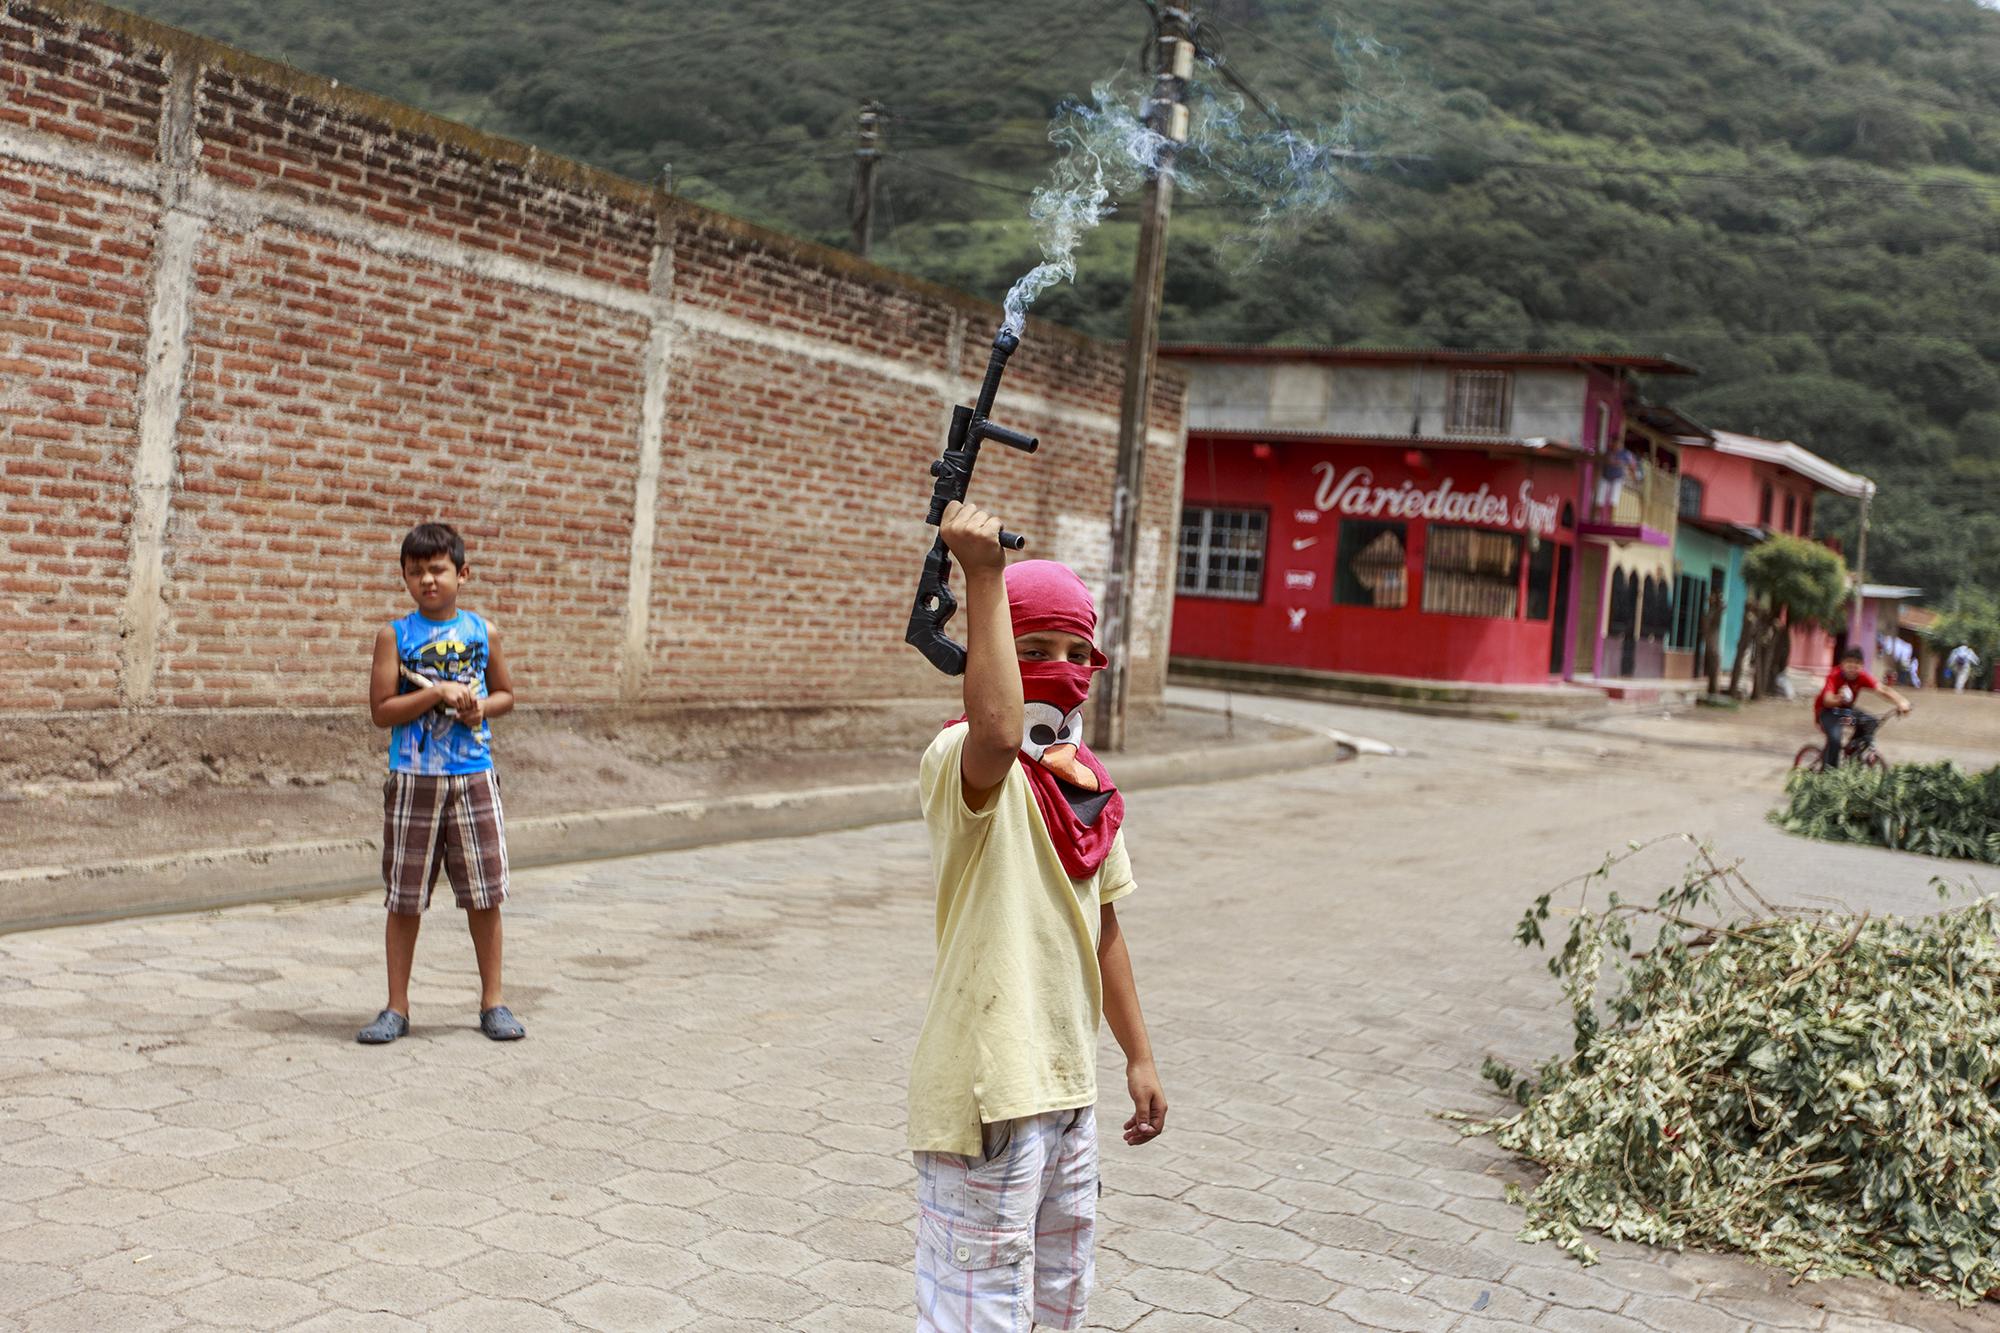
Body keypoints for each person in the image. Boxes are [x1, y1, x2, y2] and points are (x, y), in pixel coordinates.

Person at [908, 501, 1167, 1333]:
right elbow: (996, 726)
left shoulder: (1084, 781)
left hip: (1065, 1091)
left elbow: (1106, 929)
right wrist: (983, 577)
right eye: (1031, 650)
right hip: (990, 1091)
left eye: (1072, 651)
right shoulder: (966, 761)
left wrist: (1138, 1055)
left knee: (1057, 1300)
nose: (1059, 666)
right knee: (979, 1311)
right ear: (992, 654)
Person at [358, 523, 523, 1045]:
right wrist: (436, 695)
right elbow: (382, 712)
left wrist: (477, 706)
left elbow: (506, 696)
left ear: (462, 573)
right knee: (405, 898)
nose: (428, 580)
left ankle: (493, 1002)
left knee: (484, 894)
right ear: (405, 577)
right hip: (413, 780)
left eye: (438, 569)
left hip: (473, 776)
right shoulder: (395, 636)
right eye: (416, 571)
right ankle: (396, 1008)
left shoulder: (483, 632)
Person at [1814, 645, 1910, 769]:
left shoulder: (1862, 676)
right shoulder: (1834, 675)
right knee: (1835, 740)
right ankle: (1829, 774)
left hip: (1846, 711)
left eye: (1857, 664)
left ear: (1862, 666)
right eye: (1849, 663)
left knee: (1871, 722)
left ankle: (1852, 754)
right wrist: (1839, 698)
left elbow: (1882, 689)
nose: (1852, 667)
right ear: (1842, 664)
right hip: (1827, 711)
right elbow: (1827, 700)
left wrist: (1901, 701)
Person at [1595, 442, 1642, 520]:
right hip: (1605, 477)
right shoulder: (1608, 452)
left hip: (1617, 479)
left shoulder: (1625, 454)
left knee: (1614, 499)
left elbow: (1632, 466)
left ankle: (1610, 519)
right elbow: (1601, 464)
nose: (1616, 446)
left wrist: (1635, 479)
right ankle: (1597, 516)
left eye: (1617, 444)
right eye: (1614, 444)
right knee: (1600, 498)